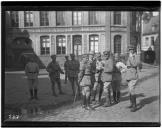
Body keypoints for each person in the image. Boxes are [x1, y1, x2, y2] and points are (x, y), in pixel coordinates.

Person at [126, 45, 140, 112]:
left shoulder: (136, 56)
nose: (130, 51)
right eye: (129, 49)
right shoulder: (129, 56)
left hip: (133, 76)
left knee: (132, 90)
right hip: (129, 76)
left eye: (132, 49)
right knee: (129, 90)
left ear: (134, 50)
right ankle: (131, 104)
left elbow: (134, 64)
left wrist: (131, 57)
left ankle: (134, 106)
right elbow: (127, 65)